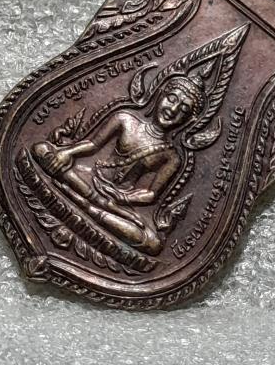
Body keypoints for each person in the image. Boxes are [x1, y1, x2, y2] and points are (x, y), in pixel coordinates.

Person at [32, 75, 205, 255]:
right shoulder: (125, 119)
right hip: (89, 179)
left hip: (116, 202)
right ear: (160, 94)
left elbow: (151, 194)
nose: (173, 109)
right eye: (171, 99)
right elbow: (93, 144)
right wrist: (67, 152)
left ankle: (85, 206)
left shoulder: (172, 157)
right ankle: (89, 208)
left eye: (183, 109)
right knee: (41, 150)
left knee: (153, 244)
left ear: (188, 121)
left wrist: (123, 197)